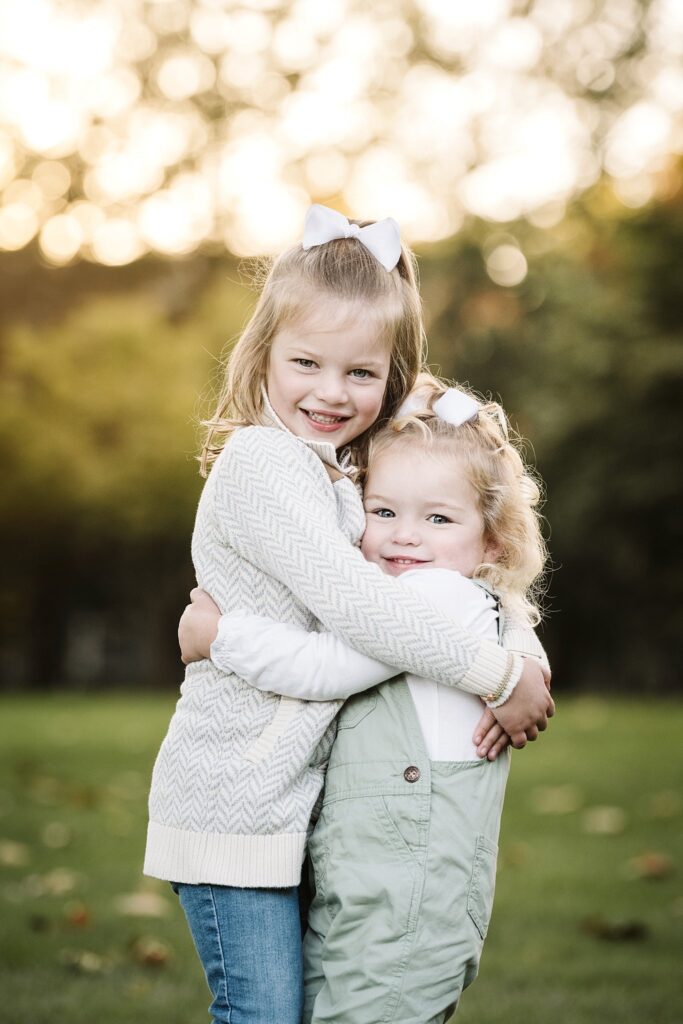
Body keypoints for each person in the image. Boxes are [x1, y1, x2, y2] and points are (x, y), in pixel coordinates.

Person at [144, 203, 553, 1024]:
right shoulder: (264, 464)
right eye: (307, 363)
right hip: (237, 804)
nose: (331, 393)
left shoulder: (336, 474)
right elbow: (362, 608)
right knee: (260, 1015)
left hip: (298, 808)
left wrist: (528, 655)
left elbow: (452, 583)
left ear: (392, 378)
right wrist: (499, 672)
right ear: (263, 357)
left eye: (361, 374)